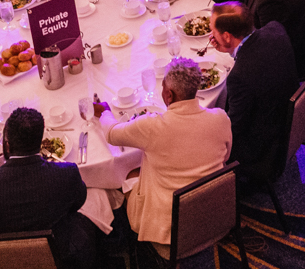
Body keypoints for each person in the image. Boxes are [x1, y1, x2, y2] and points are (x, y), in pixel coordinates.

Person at [96, 59, 231, 259]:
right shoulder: (221, 118)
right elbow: (225, 157)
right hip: (216, 216)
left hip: (171, 234)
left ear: (168, 94)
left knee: (123, 176)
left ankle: (129, 249)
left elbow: (112, 134)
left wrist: (105, 112)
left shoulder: (152, 127)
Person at [0, 106, 95, 268]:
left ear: (7, 145)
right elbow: (78, 202)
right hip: (58, 260)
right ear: (41, 140)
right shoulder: (67, 173)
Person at [209, 3, 299, 180]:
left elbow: (233, 128)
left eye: (213, 31)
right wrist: (228, 49)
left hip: (264, 148)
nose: (211, 35)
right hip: (286, 118)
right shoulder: (275, 29)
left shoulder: (239, 77)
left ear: (227, 36)